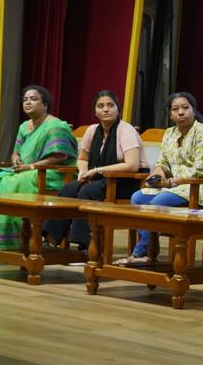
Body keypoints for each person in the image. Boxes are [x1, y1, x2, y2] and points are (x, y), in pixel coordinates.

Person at [115, 92, 203, 266]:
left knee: (159, 200)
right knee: (138, 197)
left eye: (185, 108)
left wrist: (169, 182)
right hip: (175, 188)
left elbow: (200, 170)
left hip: (202, 187)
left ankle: (141, 253)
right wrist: (159, 172)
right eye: (175, 109)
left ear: (193, 110)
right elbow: (163, 162)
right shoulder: (169, 133)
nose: (181, 112)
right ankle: (150, 251)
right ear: (170, 114)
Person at [43, 91, 147, 250]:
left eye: (110, 105)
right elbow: (82, 158)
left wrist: (97, 170)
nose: (106, 109)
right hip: (102, 179)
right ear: (95, 112)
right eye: (101, 106)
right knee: (69, 189)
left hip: (129, 181)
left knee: (87, 191)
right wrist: (83, 172)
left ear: (118, 109)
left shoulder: (126, 130)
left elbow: (132, 165)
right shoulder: (92, 130)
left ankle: (85, 246)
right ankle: (50, 240)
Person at [0, 85, 78, 249]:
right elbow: (16, 153)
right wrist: (16, 161)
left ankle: (16, 237)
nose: (28, 102)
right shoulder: (24, 126)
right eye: (25, 99)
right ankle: (0, 237)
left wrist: (31, 166)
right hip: (27, 171)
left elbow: (60, 156)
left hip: (53, 173)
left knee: (14, 182)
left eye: (33, 99)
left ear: (45, 105)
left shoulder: (56, 126)